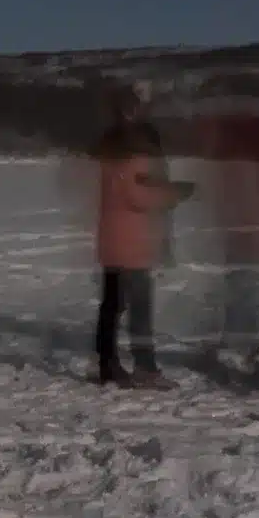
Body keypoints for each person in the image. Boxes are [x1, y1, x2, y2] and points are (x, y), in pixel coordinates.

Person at [89, 81, 193, 388]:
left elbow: (140, 190)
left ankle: (109, 364)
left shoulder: (115, 147)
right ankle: (141, 367)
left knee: (116, 305)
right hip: (129, 241)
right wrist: (174, 194)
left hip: (123, 238)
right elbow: (137, 196)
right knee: (135, 307)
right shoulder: (126, 152)